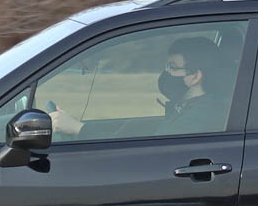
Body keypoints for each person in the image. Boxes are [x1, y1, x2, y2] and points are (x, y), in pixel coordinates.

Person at [48, 35, 230, 138]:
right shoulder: (185, 109)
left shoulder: (202, 117)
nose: (165, 73)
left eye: (173, 67)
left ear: (195, 76)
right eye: (167, 66)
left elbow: (148, 154)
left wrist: (78, 129)